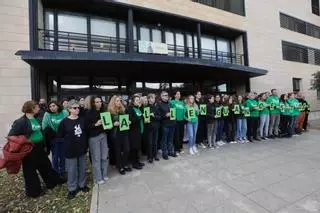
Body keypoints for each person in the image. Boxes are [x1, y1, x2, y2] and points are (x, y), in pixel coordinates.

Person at [8, 101, 59, 198]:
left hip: (39, 147)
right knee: (30, 170)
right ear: (30, 109)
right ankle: (34, 192)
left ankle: (51, 183)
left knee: (46, 165)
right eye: (36, 107)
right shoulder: (20, 122)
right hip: (29, 149)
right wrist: (25, 140)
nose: (38, 108)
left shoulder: (36, 118)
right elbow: (11, 136)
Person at [58, 100, 89, 199]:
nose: (77, 109)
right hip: (70, 149)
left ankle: (82, 185)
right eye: (75, 108)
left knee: (82, 168)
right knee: (72, 170)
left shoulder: (83, 119)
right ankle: (72, 188)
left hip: (82, 148)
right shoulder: (64, 122)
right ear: (69, 109)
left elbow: (86, 133)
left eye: (78, 108)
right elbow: (60, 135)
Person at [42, 101, 69, 180]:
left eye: (53, 106)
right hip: (54, 139)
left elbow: (68, 123)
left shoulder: (64, 112)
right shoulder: (47, 114)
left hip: (64, 138)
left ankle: (63, 172)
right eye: (50, 106)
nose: (52, 108)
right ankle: (55, 173)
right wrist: (54, 134)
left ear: (57, 106)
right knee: (55, 156)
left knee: (63, 156)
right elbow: (44, 126)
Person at [85, 96, 109, 184]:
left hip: (103, 135)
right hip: (94, 137)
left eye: (100, 101)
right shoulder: (88, 113)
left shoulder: (104, 112)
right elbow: (86, 127)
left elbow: (108, 125)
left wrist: (109, 125)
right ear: (93, 103)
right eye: (97, 102)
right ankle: (98, 178)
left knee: (104, 156)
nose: (99, 103)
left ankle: (104, 174)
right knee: (96, 158)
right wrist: (96, 124)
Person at [107, 95, 132, 175]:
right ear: (113, 102)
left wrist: (129, 122)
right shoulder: (109, 111)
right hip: (115, 133)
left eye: (120, 100)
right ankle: (120, 166)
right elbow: (107, 124)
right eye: (117, 100)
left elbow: (125, 119)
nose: (119, 102)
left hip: (124, 132)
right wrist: (114, 124)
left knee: (126, 149)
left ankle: (125, 164)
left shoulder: (123, 110)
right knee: (117, 151)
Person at [158, 91, 177, 160]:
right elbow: (159, 115)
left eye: (167, 95)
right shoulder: (159, 104)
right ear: (161, 96)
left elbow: (173, 112)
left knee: (170, 139)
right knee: (164, 140)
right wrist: (165, 115)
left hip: (172, 124)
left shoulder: (170, 104)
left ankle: (170, 151)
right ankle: (165, 153)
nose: (166, 96)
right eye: (165, 95)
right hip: (165, 125)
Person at [127, 95, 145, 169]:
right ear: (133, 101)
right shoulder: (130, 109)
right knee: (134, 148)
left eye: (139, 100)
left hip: (139, 131)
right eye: (137, 100)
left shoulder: (138, 108)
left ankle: (137, 161)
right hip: (133, 132)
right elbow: (132, 120)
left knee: (137, 148)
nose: (139, 101)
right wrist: (141, 117)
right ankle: (134, 163)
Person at [145, 93, 161, 163]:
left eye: (154, 98)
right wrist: (147, 117)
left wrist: (153, 115)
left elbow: (159, 117)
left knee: (155, 142)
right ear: (148, 99)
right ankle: (150, 157)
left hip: (156, 127)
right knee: (150, 143)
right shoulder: (146, 108)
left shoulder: (156, 107)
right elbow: (145, 119)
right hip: (149, 128)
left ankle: (155, 155)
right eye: (152, 98)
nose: (153, 99)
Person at [171, 91, 186, 155]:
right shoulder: (172, 102)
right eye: (177, 94)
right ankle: (176, 149)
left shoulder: (182, 102)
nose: (178, 95)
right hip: (175, 121)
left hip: (182, 121)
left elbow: (185, 111)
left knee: (181, 134)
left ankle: (180, 147)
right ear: (174, 95)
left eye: (179, 94)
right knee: (176, 135)